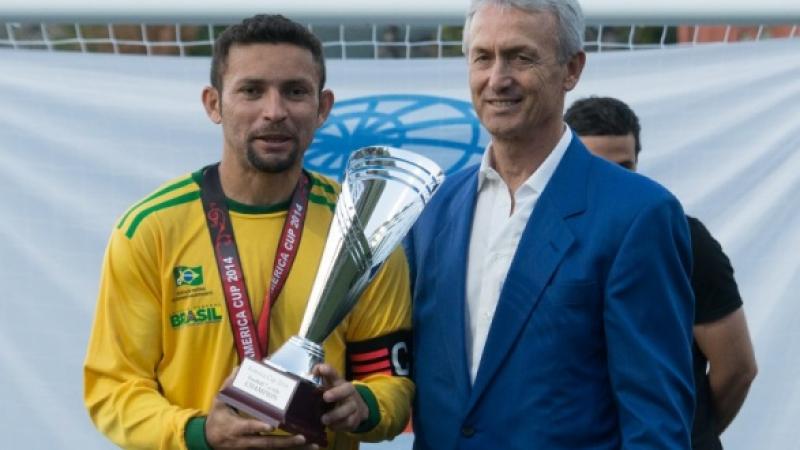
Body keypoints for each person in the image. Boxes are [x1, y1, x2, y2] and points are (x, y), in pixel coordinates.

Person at [84, 14, 413, 450]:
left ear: (323, 107)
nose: (274, 111)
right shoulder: (151, 229)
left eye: (295, 92)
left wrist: (364, 406)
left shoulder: (361, 230)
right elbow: (114, 389)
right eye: (251, 90)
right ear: (214, 104)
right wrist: (201, 434)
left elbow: (393, 383)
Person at [404, 0, 696, 448]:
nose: (497, 79)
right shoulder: (432, 209)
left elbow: (655, 419)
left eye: (521, 57)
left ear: (572, 69)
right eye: (483, 57)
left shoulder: (638, 214)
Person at [565, 95, 758, 450]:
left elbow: (737, 369)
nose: (614, 183)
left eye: (625, 167)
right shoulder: (536, 243)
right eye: (598, 169)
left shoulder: (685, 238)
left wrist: (690, 432)